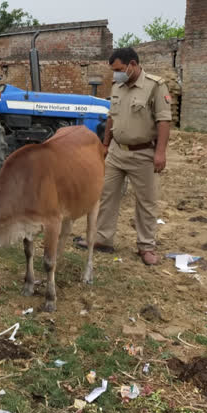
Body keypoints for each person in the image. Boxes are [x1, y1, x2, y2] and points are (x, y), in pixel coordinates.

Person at [76, 47, 172, 265]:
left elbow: (164, 121)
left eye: (119, 69)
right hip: (117, 152)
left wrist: (160, 153)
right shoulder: (118, 86)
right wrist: (106, 144)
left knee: (145, 202)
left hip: (143, 153)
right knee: (106, 195)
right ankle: (102, 239)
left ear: (132, 65)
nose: (116, 74)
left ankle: (146, 246)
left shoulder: (155, 86)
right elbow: (112, 116)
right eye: (114, 70)